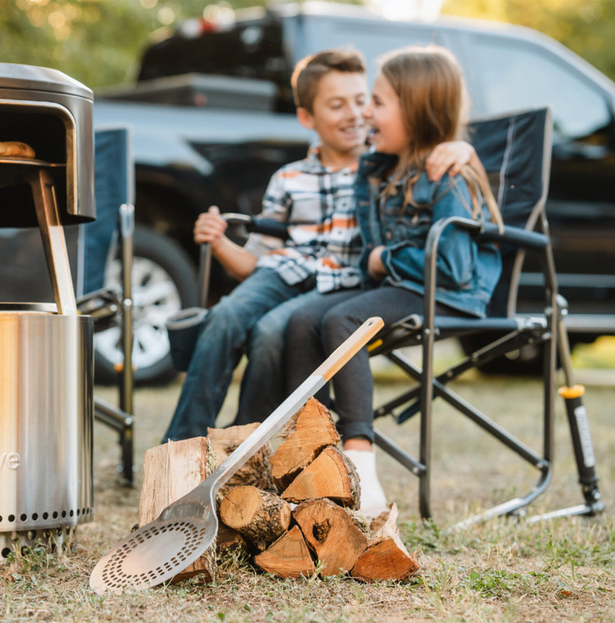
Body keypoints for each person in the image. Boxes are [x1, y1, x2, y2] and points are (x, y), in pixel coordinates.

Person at [162, 47, 476, 443]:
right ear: (307, 117)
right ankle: (182, 444)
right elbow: (253, 262)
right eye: (336, 105)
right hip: (283, 271)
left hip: (343, 284)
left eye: (363, 101)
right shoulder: (289, 178)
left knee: (271, 330)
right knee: (224, 316)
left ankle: (244, 445)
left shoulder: (384, 168)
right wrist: (220, 242)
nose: (355, 113)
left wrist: (462, 148)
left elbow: (432, 148)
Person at [284, 45, 502, 516]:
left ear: (418, 111)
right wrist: (377, 261)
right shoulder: (382, 169)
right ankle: (310, 458)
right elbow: (369, 256)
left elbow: (453, 267)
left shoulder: (448, 174)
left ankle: (360, 464)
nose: (365, 112)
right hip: (406, 287)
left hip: (449, 295)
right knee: (304, 319)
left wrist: (386, 257)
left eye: (377, 103)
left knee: (343, 319)